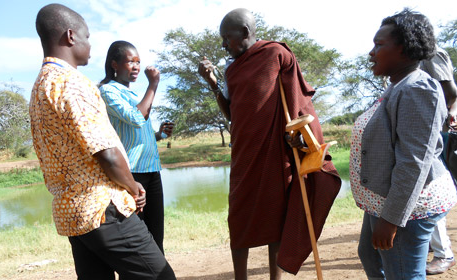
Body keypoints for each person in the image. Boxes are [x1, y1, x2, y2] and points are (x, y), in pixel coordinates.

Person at [30, 4, 176, 279]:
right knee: (161, 276)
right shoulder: (72, 83)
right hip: (101, 208)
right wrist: (134, 187)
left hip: (72, 214)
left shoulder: (41, 85)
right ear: (71, 37)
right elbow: (106, 152)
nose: (90, 45)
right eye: (87, 37)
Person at [198, 8, 341, 279]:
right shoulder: (231, 68)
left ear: (244, 32)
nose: (223, 45)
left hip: (277, 152)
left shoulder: (276, 54)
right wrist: (213, 82)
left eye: (226, 38)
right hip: (244, 153)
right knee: (239, 218)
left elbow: (299, 100)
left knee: (278, 216)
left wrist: (300, 133)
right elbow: (233, 115)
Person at [350, 8, 457, 279]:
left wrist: (391, 219)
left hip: (410, 206)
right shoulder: (398, 85)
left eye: (379, 45)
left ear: (405, 50)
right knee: (371, 255)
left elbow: (413, 163)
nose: (371, 53)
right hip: (384, 198)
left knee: (402, 273)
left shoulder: (417, 90)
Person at [98, 40, 173, 254]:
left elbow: (137, 130)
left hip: (151, 170)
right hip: (132, 174)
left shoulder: (133, 95)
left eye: (138, 62)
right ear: (114, 64)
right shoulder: (108, 92)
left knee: (156, 236)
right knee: (137, 239)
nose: (136, 67)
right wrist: (153, 85)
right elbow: (136, 117)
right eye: (130, 62)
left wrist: (158, 134)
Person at [420, 46, 457, 275]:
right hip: (431, 131)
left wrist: (437, 119)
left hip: (437, 133)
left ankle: (444, 254)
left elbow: (450, 90)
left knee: (429, 190)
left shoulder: (429, 52)